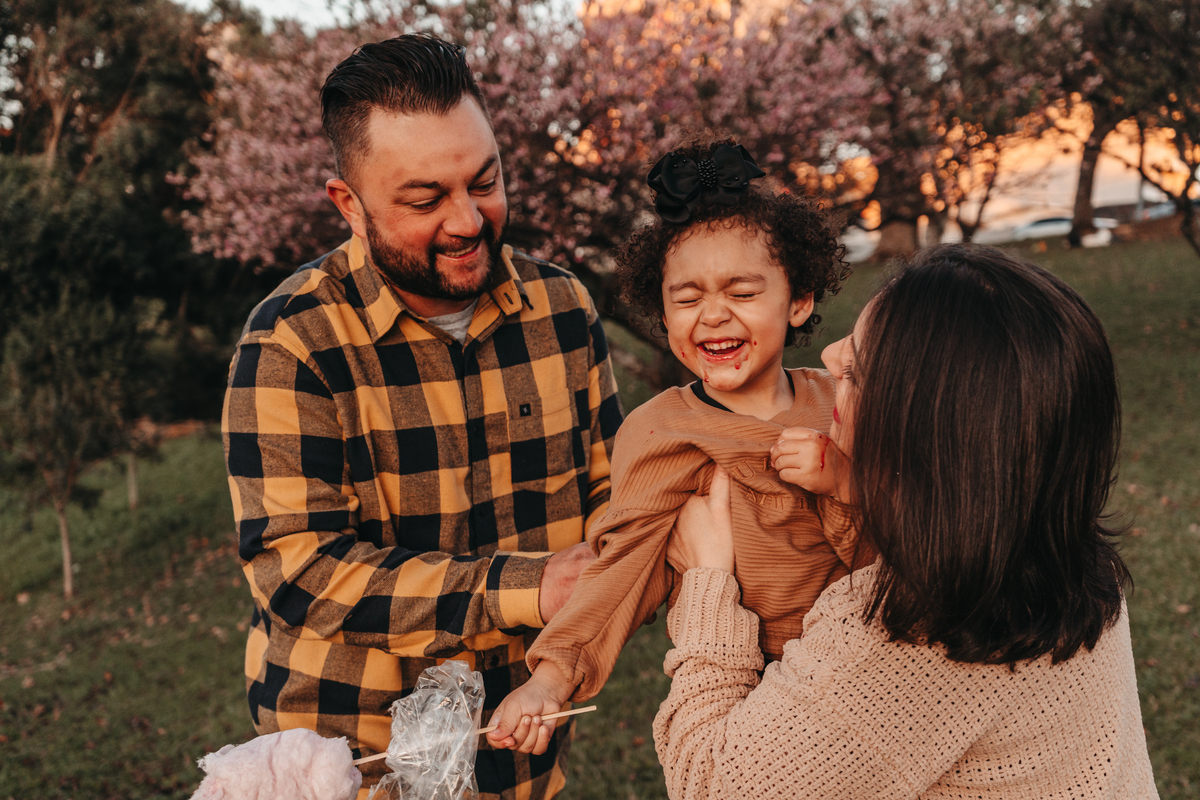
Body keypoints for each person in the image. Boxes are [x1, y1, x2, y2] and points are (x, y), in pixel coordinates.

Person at [221, 34, 622, 799]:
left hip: (518, 753)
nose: (470, 220)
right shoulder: (290, 344)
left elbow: (616, 499)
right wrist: (526, 589)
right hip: (350, 762)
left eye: (486, 180)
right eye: (425, 199)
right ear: (349, 204)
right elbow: (299, 571)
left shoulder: (564, 309)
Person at [655, 244, 1159, 799]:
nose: (829, 356)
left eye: (860, 370)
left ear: (921, 429)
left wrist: (707, 586)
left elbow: (712, 785)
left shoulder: (912, 633)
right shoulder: (1061, 546)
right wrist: (857, 492)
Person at [487, 138, 868, 754]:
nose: (712, 316)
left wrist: (844, 481)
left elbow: (911, 544)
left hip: (866, 670)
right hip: (749, 692)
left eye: (742, 294)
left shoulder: (842, 401)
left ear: (797, 301)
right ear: (663, 318)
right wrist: (553, 677)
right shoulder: (661, 429)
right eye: (687, 299)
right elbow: (624, 562)